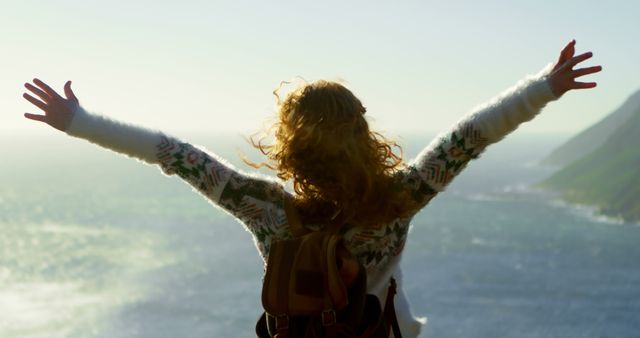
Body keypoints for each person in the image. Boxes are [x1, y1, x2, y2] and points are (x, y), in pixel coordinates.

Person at [23, 40, 601, 337]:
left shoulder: (266, 208)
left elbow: (176, 156)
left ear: (288, 142)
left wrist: (79, 122)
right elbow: (468, 138)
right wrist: (544, 87)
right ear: (363, 131)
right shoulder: (397, 199)